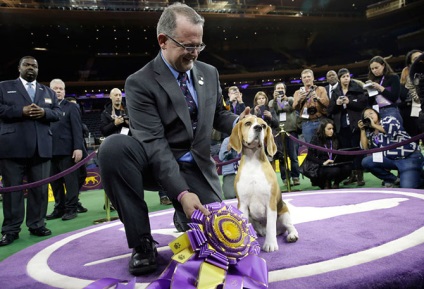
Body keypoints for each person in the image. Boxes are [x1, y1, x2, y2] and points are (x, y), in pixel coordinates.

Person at [97, 3, 246, 276]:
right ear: (163, 41)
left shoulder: (209, 73)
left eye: (199, 46)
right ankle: (142, 242)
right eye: (187, 46)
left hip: (198, 167)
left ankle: (183, 215)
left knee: (219, 239)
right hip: (154, 164)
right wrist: (181, 192)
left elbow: (216, 116)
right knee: (113, 148)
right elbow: (154, 144)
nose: (194, 53)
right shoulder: (139, 82)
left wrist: (241, 123)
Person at [0, 56, 61, 246]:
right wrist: (21, 111)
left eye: (34, 66)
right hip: (12, 148)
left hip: (41, 148)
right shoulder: (3, 86)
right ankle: (11, 229)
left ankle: (37, 224)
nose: (31, 68)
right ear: (19, 68)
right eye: (26, 65)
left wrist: (44, 113)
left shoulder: (47, 91)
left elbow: (58, 113)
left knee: (40, 190)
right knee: (12, 192)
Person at [46, 79, 85, 221]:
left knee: (71, 182)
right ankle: (59, 208)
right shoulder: (45, 107)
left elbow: (77, 129)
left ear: (64, 91)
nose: (58, 91)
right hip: (49, 152)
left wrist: (78, 148)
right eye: (55, 88)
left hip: (68, 152)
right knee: (55, 183)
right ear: (50, 91)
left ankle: (71, 208)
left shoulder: (71, 107)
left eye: (61, 89)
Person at [359, 108, 423, 188]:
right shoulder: (371, 133)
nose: (369, 116)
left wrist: (374, 125)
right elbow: (365, 149)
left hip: (409, 157)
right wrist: (362, 130)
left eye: (371, 113)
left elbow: (392, 131)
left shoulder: (388, 119)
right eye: (366, 116)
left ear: (377, 114)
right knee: (367, 161)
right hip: (392, 160)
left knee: (407, 187)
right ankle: (394, 179)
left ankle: (419, 175)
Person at [327, 68, 368, 186]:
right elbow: (330, 111)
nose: (346, 78)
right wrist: (337, 104)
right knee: (346, 151)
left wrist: (349, 102)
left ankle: (360, 176)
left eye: (347, 76)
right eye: (343, 76)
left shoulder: (357, 88)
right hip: (341, 125)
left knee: (357, 149)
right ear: (339, 79)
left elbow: (363, 104)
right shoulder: (335, 92)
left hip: (355, 124)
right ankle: (351, 175)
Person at [268, 82, 300, 186]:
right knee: (282, 157)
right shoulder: (272, 102)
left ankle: (295, 177)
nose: (280, 90)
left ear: (285, 90)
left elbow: (292, 107)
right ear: (274, 90)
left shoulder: (290, 99)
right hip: (278, 132)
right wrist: (276, 100)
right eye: (278, 88)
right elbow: (273, 112)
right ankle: (285, 178)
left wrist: (284, 99)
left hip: (290, 131)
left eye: (282, 88)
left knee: (293, 156)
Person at [306, 118, 351, 189]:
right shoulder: (316, 139)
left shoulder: (336, 138)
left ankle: (336, 183)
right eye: (329, 129)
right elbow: (309, 156)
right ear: (323, 129)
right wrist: (322, 162)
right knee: (335, 170)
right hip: (321, 165)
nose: (332, 131)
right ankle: (325, 182)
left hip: (334, 163)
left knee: (348, 168)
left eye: (332, 129)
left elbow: (341, 151)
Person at [293, 69, 329, 143]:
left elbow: (327, 103)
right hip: (307, 123)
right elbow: (294, 107)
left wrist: (317, 98)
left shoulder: (321, 89)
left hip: (320, 120)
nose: (307, 79)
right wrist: (299, 99)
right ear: (302, 80)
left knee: (324, 145)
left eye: (308, 76)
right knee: (310, 147)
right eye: (304, 77)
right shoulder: (298, 93)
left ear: (313, 78)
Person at [366, 56, 403, 124]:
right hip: (376, 112)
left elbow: (394, 97)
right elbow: (370, 102)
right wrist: (369, 90)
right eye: (372, 69)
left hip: (391, 110)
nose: (374, 70)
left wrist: (380, 88)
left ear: (383, 65)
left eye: (376, 68)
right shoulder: (373, 81)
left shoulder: (393, 77)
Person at [399, 49, 422, 137]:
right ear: (410, 64)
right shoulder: (408, 82)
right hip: (414, 115)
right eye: (416, 58)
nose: (420, 60)